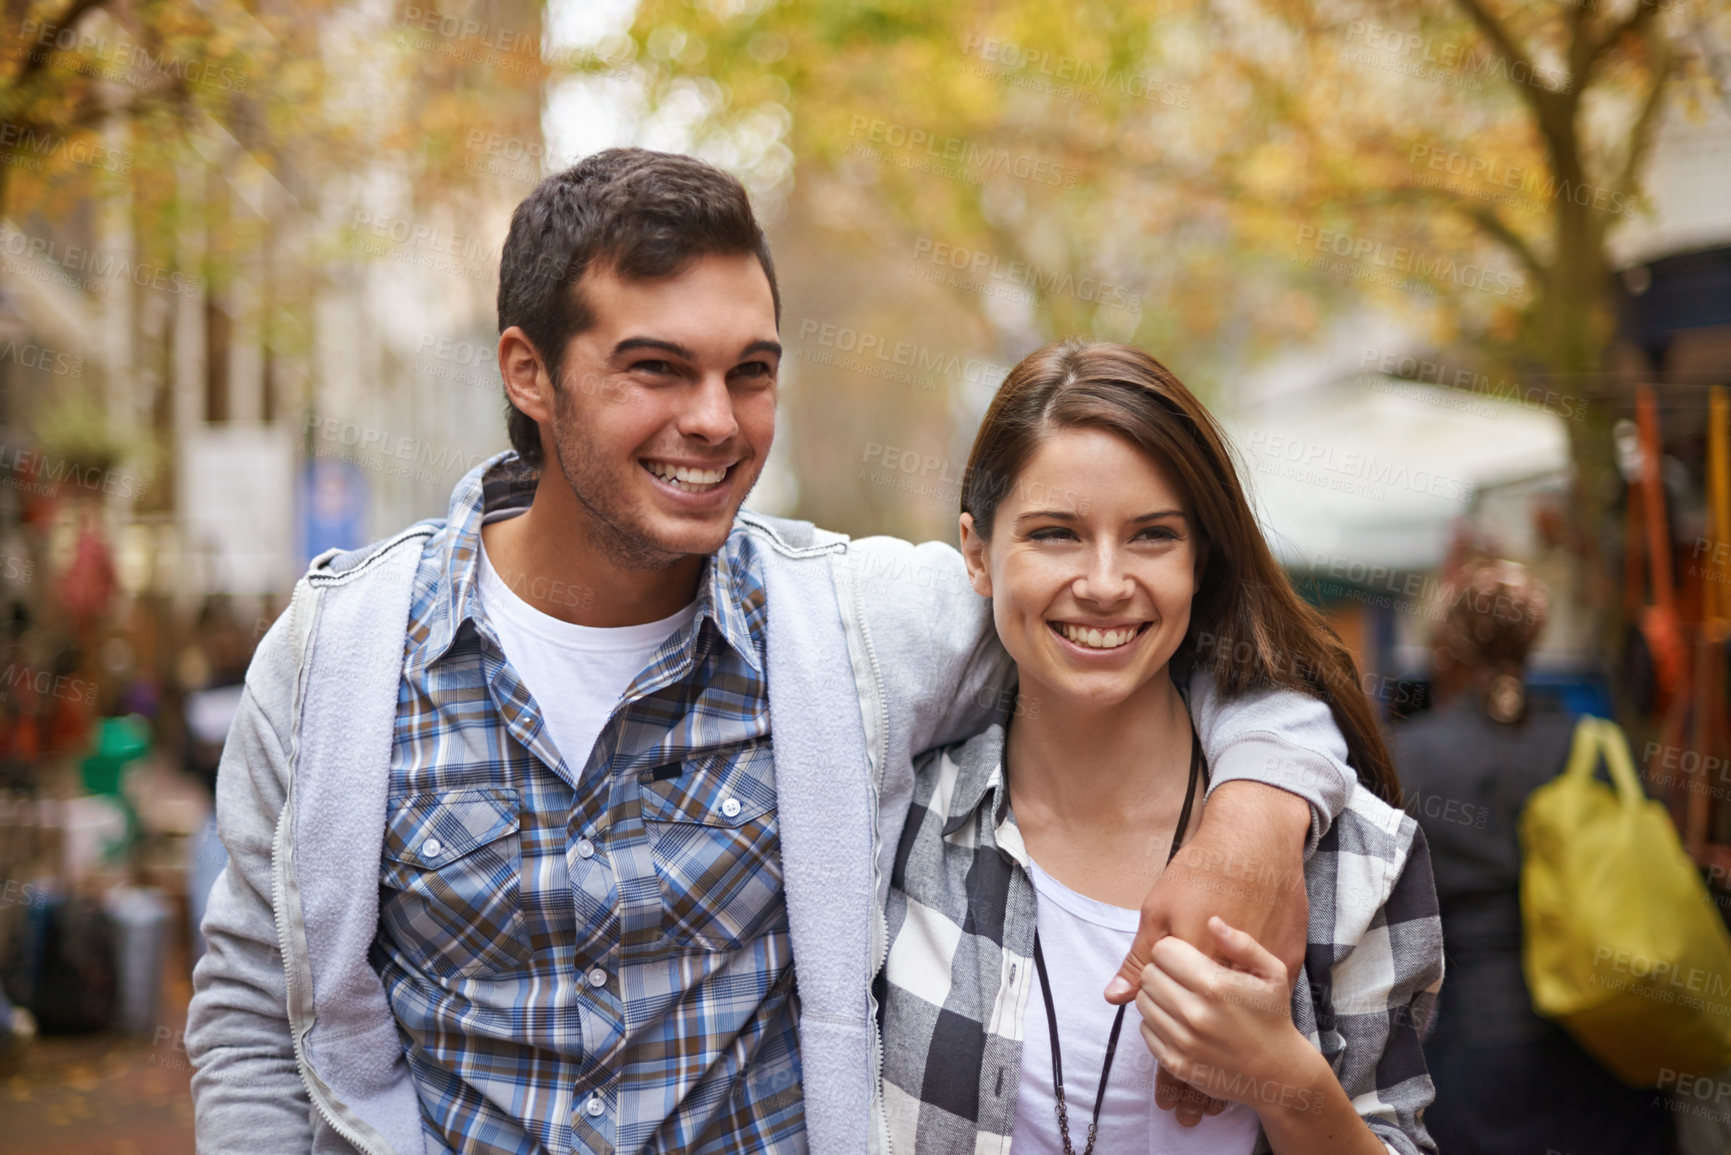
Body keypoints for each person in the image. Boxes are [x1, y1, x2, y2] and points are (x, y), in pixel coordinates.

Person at [186, 149, 1362, 1155]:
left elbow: (1160, 629)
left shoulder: (858, 627)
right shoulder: (339, 657)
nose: (716, 419)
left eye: (751, 372)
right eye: (658, 368)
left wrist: (1253, 817)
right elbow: (254, 1007)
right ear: (527, 372)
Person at [878, 340, 1443, 1154]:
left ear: (1198, 561)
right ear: (977, 554)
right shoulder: (898, 827)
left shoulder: (1352, 858)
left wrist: (1284, 1078)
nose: (1105, 583)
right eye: (1055, 534)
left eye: (1150, 536)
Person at [1390, 559, 1673, 1155]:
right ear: (1533, 641)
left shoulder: (1411, 756)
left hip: (1472, 1045)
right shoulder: (1597, 746)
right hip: (1605, 1028)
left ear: (1449, 646)